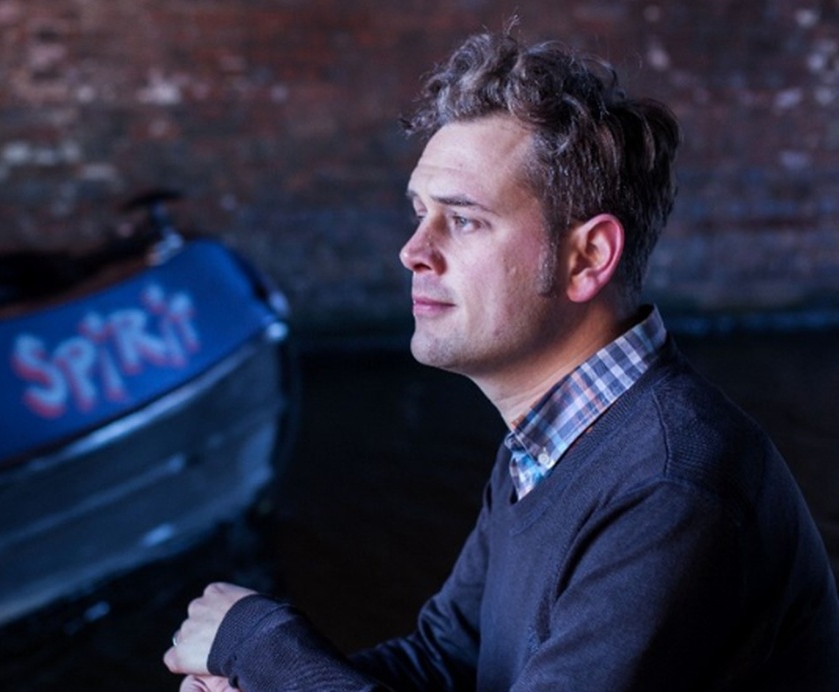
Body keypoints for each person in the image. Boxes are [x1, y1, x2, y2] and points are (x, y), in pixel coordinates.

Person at [163, 28, 839, 692]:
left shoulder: (671, 490)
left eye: (462, 220)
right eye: (418, 212)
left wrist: (262, 645)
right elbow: (447, 662)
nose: (412, 251)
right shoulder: (548, 444)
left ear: (587, 258)